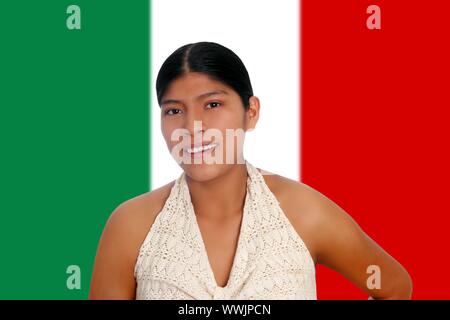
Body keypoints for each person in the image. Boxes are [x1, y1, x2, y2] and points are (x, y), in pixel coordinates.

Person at [89, 41, 412, 300]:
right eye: (174, 110)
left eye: (213, 104)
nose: (192, 127)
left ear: (251, 112)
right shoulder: (131, 226)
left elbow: (395, 287)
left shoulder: (303, 213)